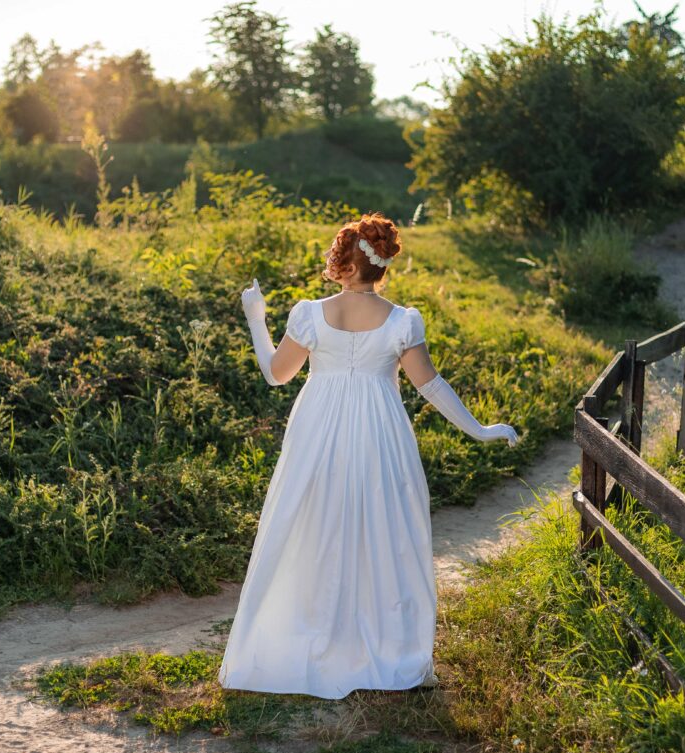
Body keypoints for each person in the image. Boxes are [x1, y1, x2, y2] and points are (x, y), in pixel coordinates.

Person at [218, 212, 519, 699]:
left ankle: (307, 632)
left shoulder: (309, 314)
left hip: (318, 431)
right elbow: (431, 388)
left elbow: (276, 374)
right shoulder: (403, 321)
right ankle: (384, 642)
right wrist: (479, 429)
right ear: (381, 267)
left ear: (341, 264)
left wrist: (256, 318)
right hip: (382, 433)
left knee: (311, 525)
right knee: (386, 530)